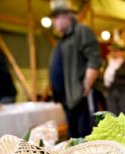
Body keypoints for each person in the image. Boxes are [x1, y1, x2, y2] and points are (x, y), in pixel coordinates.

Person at [49, 0, 102, 138]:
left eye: (57, 17)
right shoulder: (64, 39)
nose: (55, 22)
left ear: (68, 15)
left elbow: (94, 59)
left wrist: (86, 86)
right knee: (74, 135)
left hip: (81, 96)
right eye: (54, 18)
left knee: (87, 134)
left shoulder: (81, 31)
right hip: (68, 98)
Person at [103, 43, 125, 115]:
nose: (113, 53)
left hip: (124, 91)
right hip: (110, 91)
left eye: (116, 51)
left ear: (122, 52)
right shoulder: (109, 62)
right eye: (112, 51)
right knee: (112, 114)